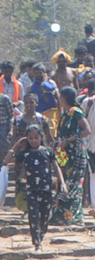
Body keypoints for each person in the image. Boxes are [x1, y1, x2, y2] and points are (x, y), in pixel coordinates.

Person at [9, 125, 66, 250]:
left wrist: (62, 183)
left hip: (46, 188)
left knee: (45, 215)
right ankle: (36, 242)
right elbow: (7, 160)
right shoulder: (25, 154)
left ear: (41, 137)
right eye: (30, 138)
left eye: (36, 137)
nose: (33, 141)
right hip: (31, 189)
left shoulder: (48, 151)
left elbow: (56, 168)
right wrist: (17, 145)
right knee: (33, 215)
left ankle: (40, 235)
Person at [51, 85, 91, 226]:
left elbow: (87, 130)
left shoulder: (75, 112)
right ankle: (61, 214)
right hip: (65, 155)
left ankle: (73, 215)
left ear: (64, 98)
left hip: (76, 155)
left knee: (74, 185)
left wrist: (70, 140)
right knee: (63, 182)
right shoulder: (64, 114)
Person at [29, 63, 60, 134]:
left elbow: (58, 98)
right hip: (39, 113)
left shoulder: (51, 84)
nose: (38, 75)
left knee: (52, 132)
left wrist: (60, 113)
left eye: (40, 73)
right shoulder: (31, 87)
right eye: (36, 73)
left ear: (44, 73)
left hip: (52, 113)